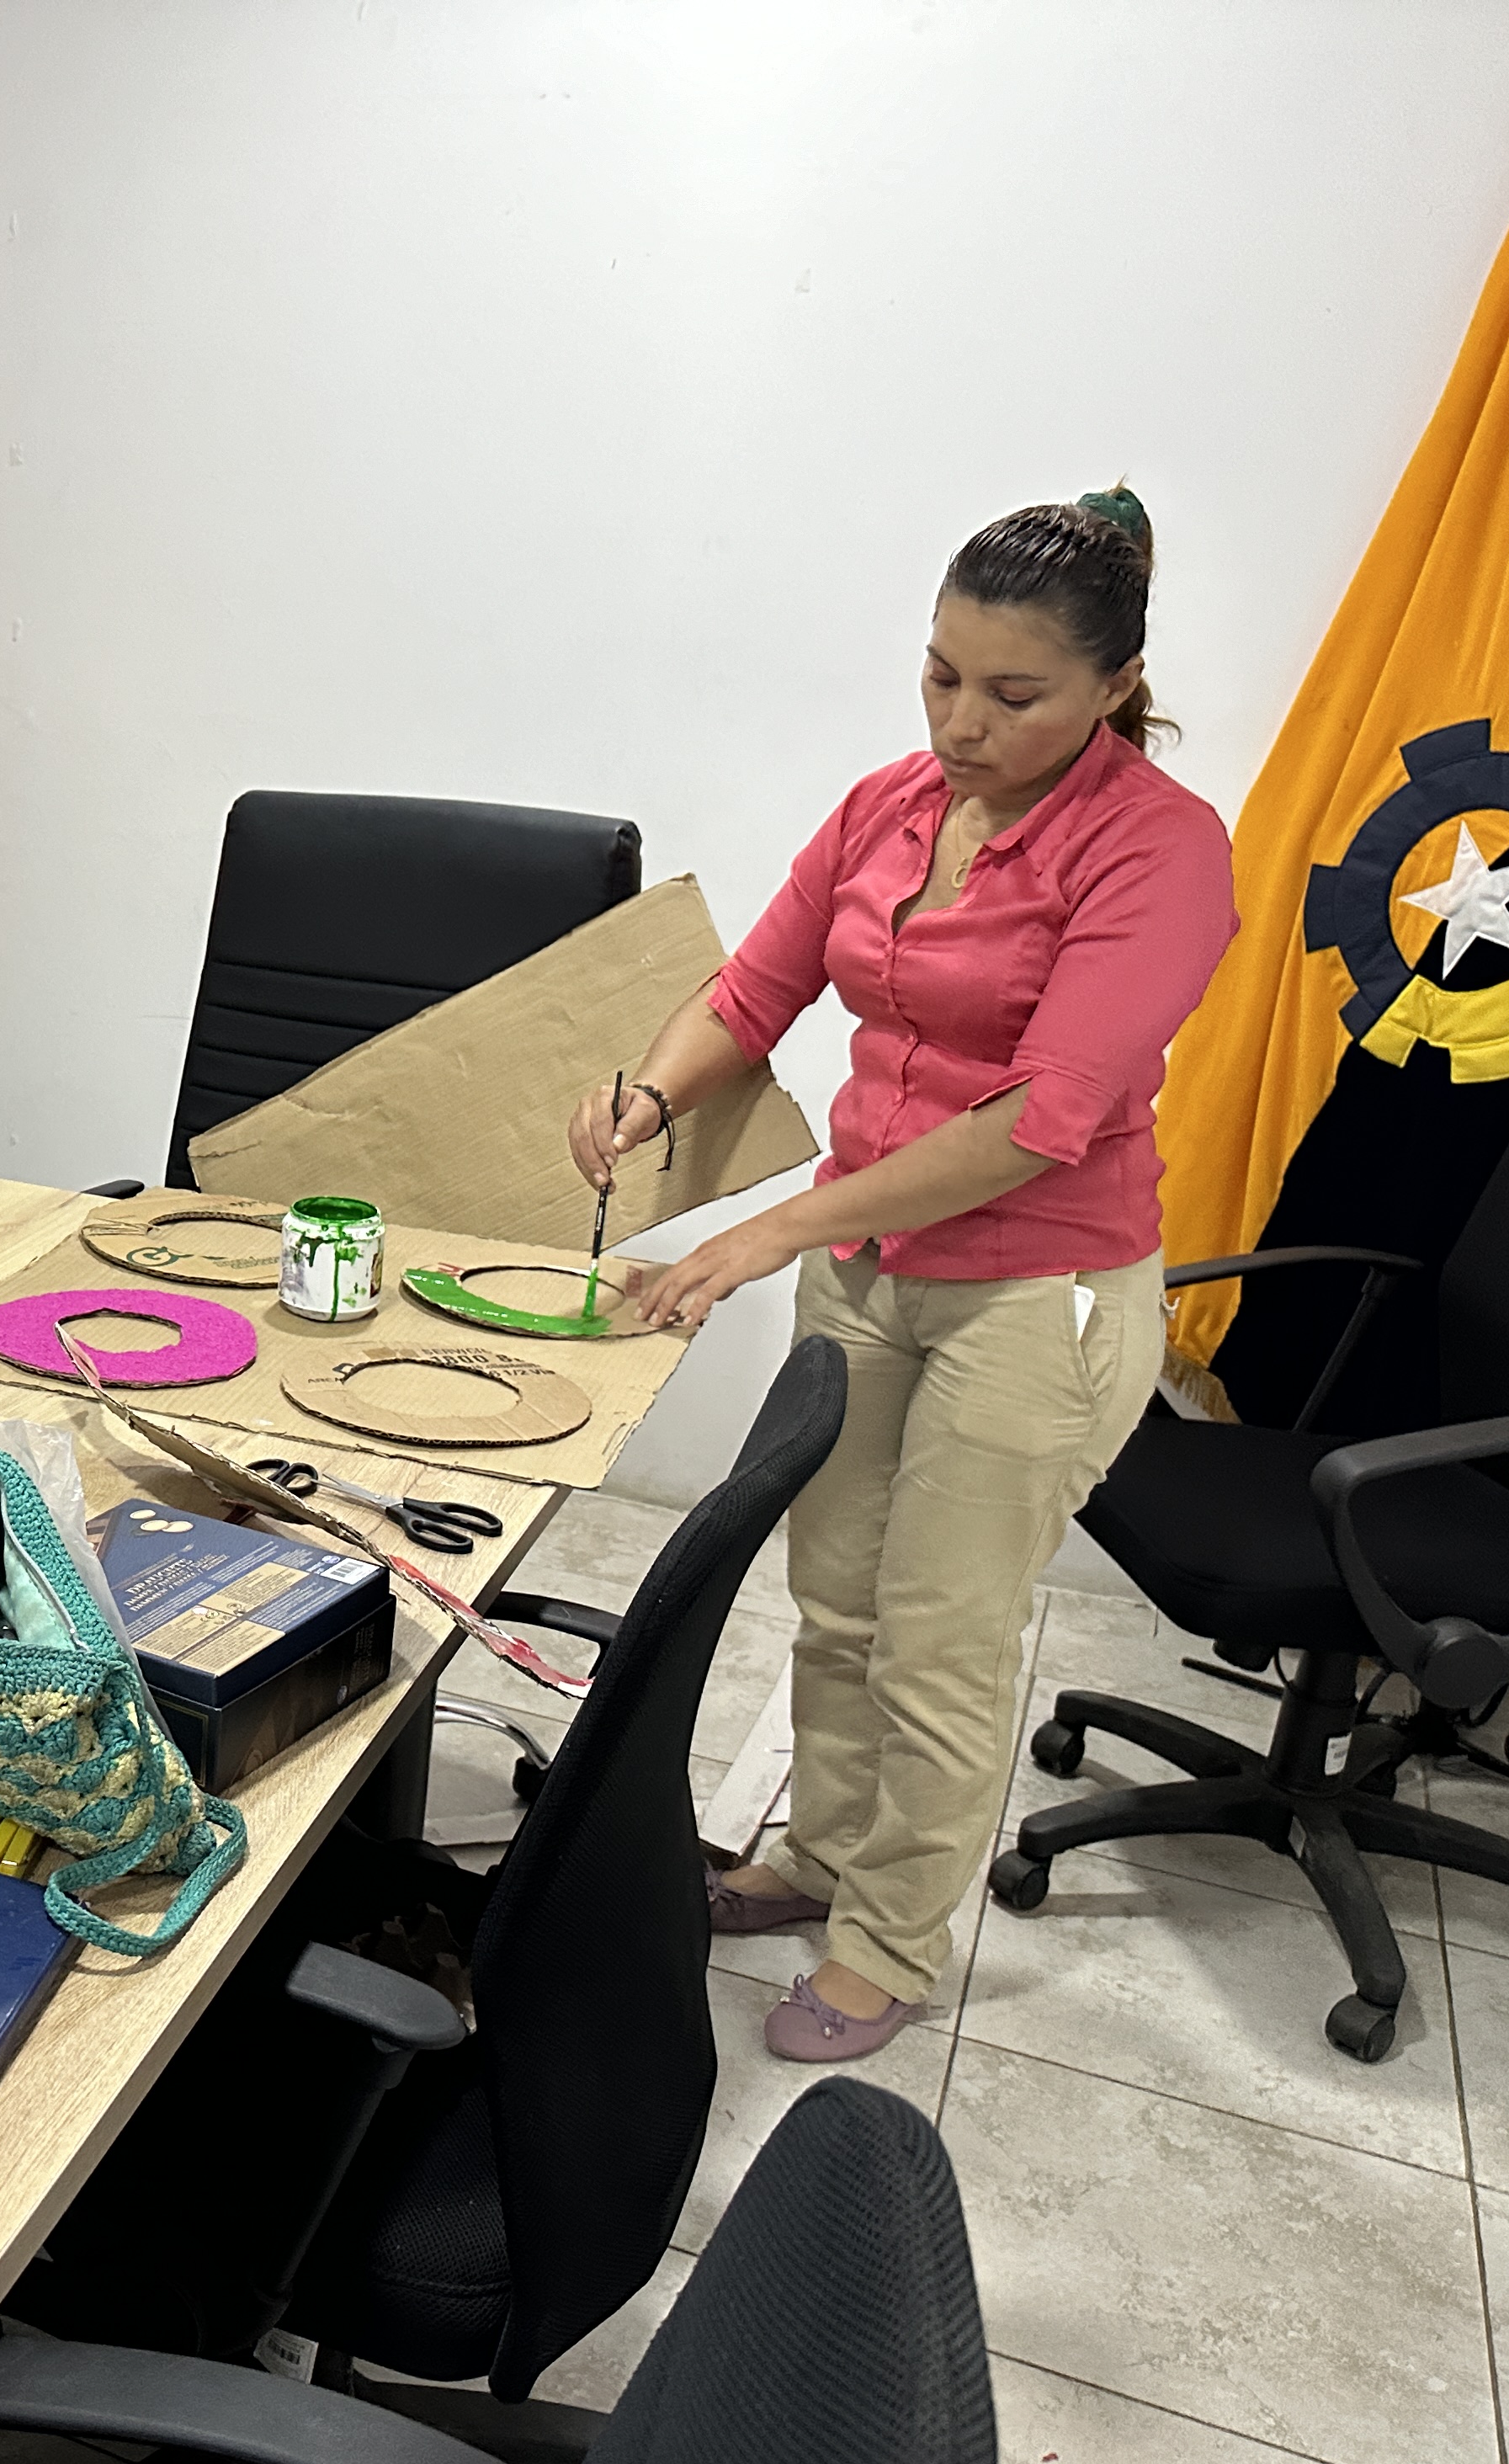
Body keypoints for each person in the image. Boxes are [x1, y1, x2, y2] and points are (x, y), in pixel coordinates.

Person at [571, 489, 1235, 2063]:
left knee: (942, 1630)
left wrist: (770, 1230)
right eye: (940, 674)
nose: (961, 723)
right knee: (836, 1599)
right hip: (871, 1266)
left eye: (1014, 695)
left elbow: (1043, 1118)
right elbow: (752, 990)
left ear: (1112, 689)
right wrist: (650, 1092)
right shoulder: (890, 805)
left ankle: (890, 1939)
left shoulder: (1160, 848)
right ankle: (816, 1856)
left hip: (1035, 1292)